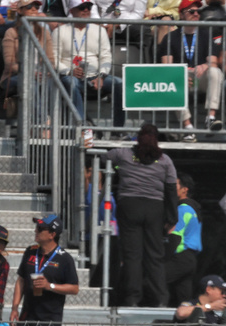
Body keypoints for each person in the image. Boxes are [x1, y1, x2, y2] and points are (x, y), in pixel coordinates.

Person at [104, 124, 178, 307]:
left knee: (132, 256)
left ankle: (132, 298)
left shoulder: (123, 154)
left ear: (138, 138)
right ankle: (161, 298)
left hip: (129, 206)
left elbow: (104, 155)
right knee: (155, 255)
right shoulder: (165, 160)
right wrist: (172, 217)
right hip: (154, 208)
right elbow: (171, 191)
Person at [52, 0, 123, 127]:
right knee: (71, 83)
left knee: (119, 83)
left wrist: (101, 76)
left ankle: (119, 129)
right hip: (70, 76)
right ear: (71, 11)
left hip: (94, 76)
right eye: (82, 7)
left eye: (89, 7)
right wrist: (69, 71)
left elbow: (106, 57)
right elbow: (53, 59)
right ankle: (82, 125)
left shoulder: (99, 30)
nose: (86, 10)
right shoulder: (60, 31)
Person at [158, 0, 223, 133]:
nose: (196, 14)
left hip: (200, 77)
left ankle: (210, 118)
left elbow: (213, 61)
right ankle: (188, 127)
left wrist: (205, 66)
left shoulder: (206, 34)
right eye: (191, 11)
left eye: (198, 12)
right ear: (181, 15)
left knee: (215, 72)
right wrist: (180, 73)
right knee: (172, 78)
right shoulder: (171, 37)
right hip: (182, 78)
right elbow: (167, 66)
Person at [165, 172, 202, 308]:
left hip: (181, 257)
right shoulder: (194, 209)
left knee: (154, 282)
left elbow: (175, 236)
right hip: (190, 259)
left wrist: (164, 258)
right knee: (184, 299)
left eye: (175, 185)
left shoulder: (182, 209)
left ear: (184, 189)